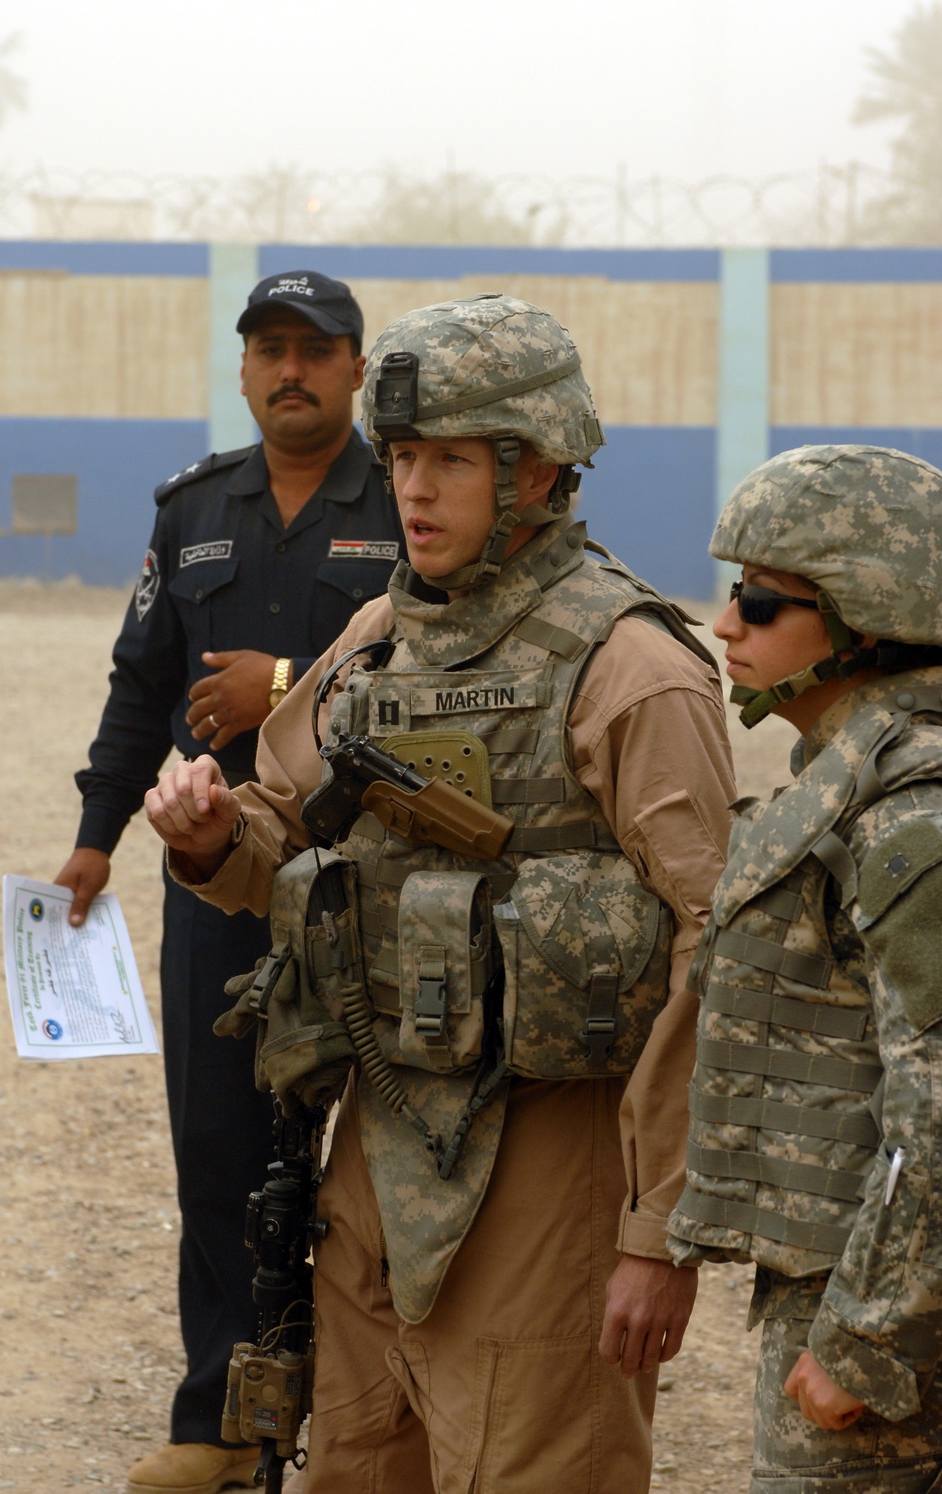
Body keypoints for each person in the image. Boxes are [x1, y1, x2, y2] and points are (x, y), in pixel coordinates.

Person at [144, 292, 736, 1494]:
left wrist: (655, 1232)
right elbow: (283, 832)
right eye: (402, 457)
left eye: (452, 461)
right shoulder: (375, 641)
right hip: (370, 1160)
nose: (412, 489)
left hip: (550, 1172)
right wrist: (209, 838)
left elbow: (712, 955)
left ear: (539, 472)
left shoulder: (631, 666)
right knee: (359, 1467)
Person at [54, 270, 405, 1494]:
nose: (290, 369)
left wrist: (289, 680)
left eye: (316, 348)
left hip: (376, 883)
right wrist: (99, 831)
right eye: (270, 349)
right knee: (220, 1148)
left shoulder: (405, 504)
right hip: (215, 881)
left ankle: (381, 1417)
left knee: (386, 1150)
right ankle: (225, 1415)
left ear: (358, 368)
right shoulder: (194, 509)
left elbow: (444, 669)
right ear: (245, 367)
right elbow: (140, 680)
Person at [667, 445, 942, 1493]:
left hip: (881, 1318)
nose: (724, 624)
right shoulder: (850, 779)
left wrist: (868, 1338)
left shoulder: (908, 815)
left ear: (865, 620)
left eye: (760, 602)